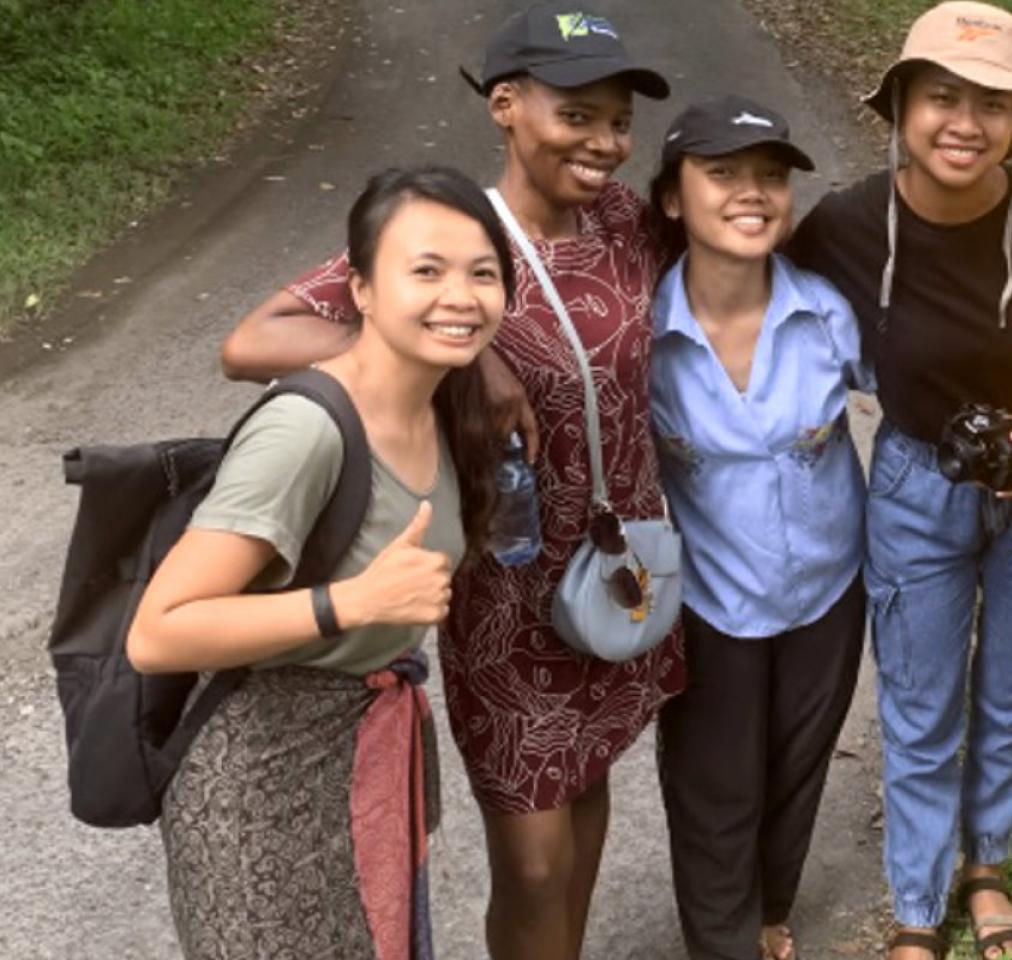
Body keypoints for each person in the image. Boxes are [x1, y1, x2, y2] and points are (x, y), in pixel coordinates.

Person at [217, 5, 685, 957]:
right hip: (503, 593)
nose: (604, 143)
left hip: (620, 570)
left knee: (588, 788)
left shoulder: (629, 225)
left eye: (616, 121)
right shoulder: (454, 233)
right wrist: (470, 363)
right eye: (576, 115)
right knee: (533, 856)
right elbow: (252, 340)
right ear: (507, 106)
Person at [784, 4, 1012, 958]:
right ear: (902, 109)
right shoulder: (846, 223)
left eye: (992, 104)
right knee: (921, 702)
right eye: (942, 98)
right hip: (920, 481)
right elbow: (752, 297)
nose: (966, 122)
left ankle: (987, 866)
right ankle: (918, 907)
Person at [128, 164, 507, 957]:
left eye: (483, 272)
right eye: (426, 270)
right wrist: (352, 604)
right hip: (261, 789)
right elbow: (158, 633)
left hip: (366, 757)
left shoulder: (445, 405)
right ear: (362, 290)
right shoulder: (306, 429)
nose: (461, 296)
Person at [644, 95, 865, 960]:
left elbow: (919, 391)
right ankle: (724, 942)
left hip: (829, 587)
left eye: (770, 176)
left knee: (797, 768)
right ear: (672, 197)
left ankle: (772, 908)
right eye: (723, 173)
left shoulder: (827, 315)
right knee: (713, 788)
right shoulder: (644, 336)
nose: (752, 193)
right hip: (711, 602)